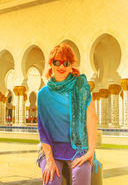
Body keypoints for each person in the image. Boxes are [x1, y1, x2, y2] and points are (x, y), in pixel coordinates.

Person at [37, 43, 98, 185]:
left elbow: (91, 117)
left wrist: (90, 151)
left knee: (81, 175)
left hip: (78, 148)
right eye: (57, 62)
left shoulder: (81, 88)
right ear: (51, 64)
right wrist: (49, 159)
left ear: (71, 66)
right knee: (51, 178)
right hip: (51, 149)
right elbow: (42, 129)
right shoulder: (43, 95)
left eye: (66, 63)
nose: (62, 67)